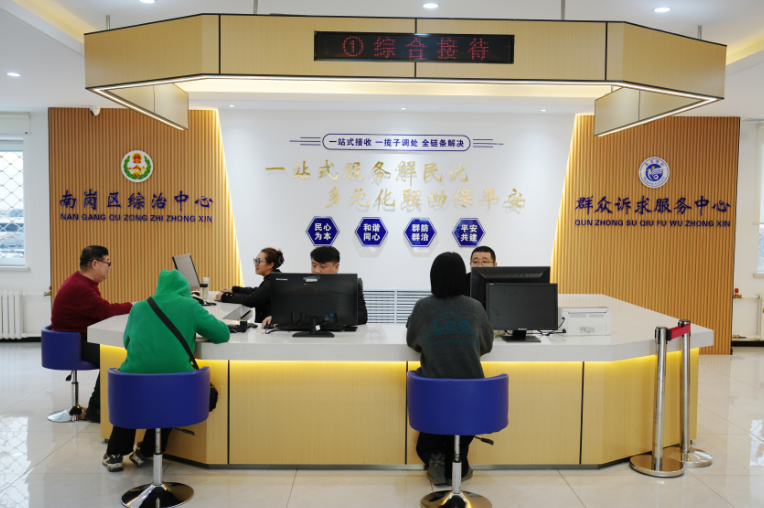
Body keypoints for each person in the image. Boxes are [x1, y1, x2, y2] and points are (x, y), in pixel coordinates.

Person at [102, 269, 230, 472]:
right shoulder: (190, 306)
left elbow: (127, 342)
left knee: (132, 397)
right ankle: (146, 451)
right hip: (177, 383)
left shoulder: (139, 307)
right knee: (169, 393)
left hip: (132, 380)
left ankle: (115, 454)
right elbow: (222, 334)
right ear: (184, 289)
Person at [406, 252, 494, 485]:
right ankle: (458, 461)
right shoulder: (475, 307)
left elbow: (412, 342)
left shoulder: (423, 307)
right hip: (471, 397)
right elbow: (486, 345)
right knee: (461, 420)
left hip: (433, 395)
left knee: (435, 414)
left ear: (433, 277)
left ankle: (435, 457)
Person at [51, 246, 133, 423]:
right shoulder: (80, 287)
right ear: (95, 264)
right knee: (118, 355)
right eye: (108, 263)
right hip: (71, 343)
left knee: (117, 351)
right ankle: (96, 409)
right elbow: (104, 311)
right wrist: (134, 306)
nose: (109, 267)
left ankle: (100, 406)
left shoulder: (82, 282)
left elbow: (98, 312)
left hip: (73, 338)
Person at [261, 246, 368, 326]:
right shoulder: (303, 286)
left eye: (322, 266)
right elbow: (290, 311)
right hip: (308, 334)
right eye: (314, 265)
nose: (316, 270)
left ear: (336, 267)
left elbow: (362, 316)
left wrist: (340, 319)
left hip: (340, 335)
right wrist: (277, 318)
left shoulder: (351, 286)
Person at [216, 248, 283, 322]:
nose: (255, 264)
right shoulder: (276, 278)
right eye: (255, 260)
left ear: (270, 265)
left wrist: (225, 297)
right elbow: (256, 291)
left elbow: (251, 300)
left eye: (259, 261)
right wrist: (234, 291)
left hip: (268, 327)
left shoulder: (272, 282)